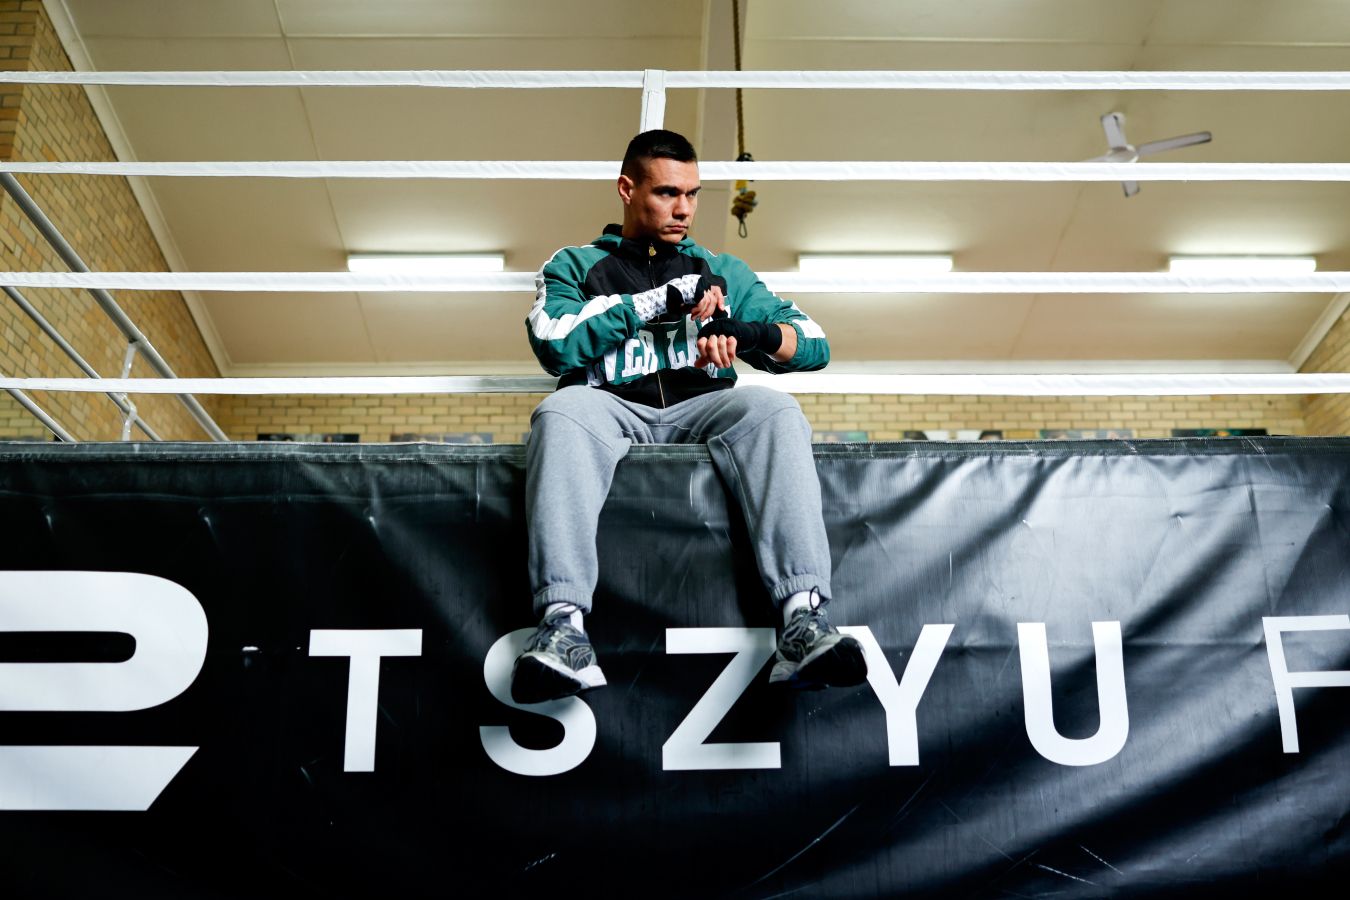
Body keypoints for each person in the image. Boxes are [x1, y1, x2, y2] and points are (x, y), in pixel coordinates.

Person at [510, 129, 867, 704]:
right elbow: (555, 343)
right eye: (667, 193)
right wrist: (660, 300)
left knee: (774, 408)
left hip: (703, 406)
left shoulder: (721, 268)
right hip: (609, 404)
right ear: (627, 189)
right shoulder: (576, 264)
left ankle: (803, 621)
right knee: (560, 411)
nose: (683, 209)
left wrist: (748, 332)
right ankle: (563, 629)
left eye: (693, 194)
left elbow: (814, 342)